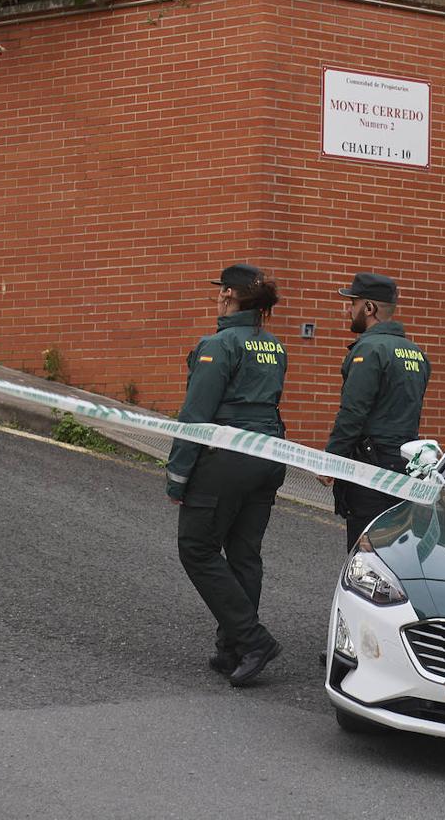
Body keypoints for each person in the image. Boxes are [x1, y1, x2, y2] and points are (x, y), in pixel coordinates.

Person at [166, 263, 288, 687]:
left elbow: (195, 416)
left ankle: (254, 641)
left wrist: (178, 475)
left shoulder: (216, 345)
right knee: (243, 552)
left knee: (196, 548)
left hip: (227, 458)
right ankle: (232, 648)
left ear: (227, 296)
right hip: (270, 455)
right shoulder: (275, 346)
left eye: (221, 291)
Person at [321, 272, 431, 550]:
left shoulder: (369, 350)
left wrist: (331, 460)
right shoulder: (416, 353)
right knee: (393, 548)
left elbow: (352, 413)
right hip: (405, 463)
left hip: (370, 468)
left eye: (354, 303)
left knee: (365, 551)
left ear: (369, 308)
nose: (349, 309)